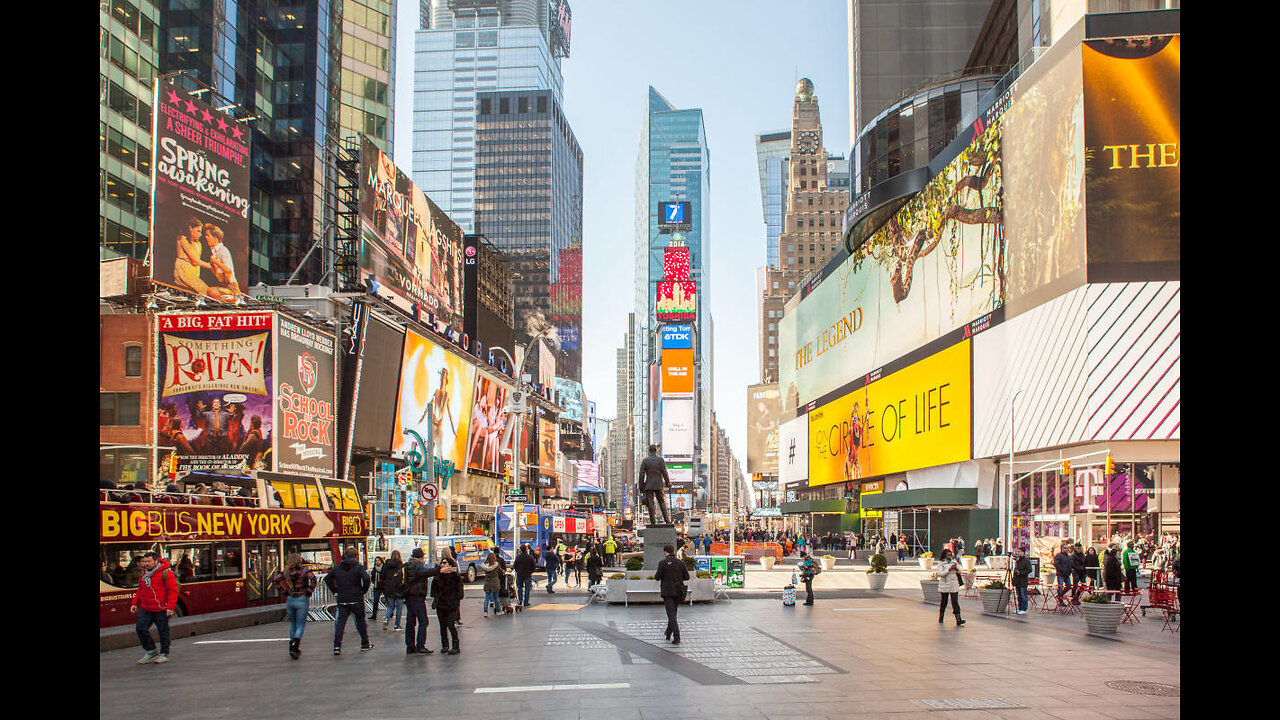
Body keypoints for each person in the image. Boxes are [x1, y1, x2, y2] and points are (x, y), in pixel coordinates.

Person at [130, 551, 179, 664]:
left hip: (161, 608)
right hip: (146, 608)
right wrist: (135, 603)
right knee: (140, 628)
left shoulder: (166, 573)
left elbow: (172, 590)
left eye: (149, 561)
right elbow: (140, 590)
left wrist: (170, 607)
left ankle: (164, 653)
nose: (146, 564)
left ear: (155, 561)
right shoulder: (144, 574)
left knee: (163, 631)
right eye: (145, 561)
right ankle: (151, 650)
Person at [324, 547, 373, 655]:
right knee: (360, 621)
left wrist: (335, 590)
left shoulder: (337, 568)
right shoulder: (358, 567)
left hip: (342, 598)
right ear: (356, 556)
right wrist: (363, 590)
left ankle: (337, 646)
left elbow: (327, 579)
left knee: (341, 623)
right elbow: (366, 579)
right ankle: (365, 643)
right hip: (356, 598)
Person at [401, 547, 450, 654]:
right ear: (421, 557)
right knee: (423, 621)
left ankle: (410, 645)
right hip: (417, 596)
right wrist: (439, 570)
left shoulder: (409, 565)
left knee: (410, 621)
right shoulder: (417, 566)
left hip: (409, 596)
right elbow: (425, 572)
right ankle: (420, 645)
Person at [271, 553, 317, 660]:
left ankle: (292, 646)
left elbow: (275, 580)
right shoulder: (305, 570)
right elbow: (313, 580)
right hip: (302, 598)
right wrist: (309, 591)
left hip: (290, 599)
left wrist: (284, 591)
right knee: (300, 625)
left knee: (293, 624)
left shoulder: (286, 571)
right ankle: (295, 645)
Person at [653, 544, 689, 645]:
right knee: (673, 613)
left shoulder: (662, 563)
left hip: (667, 592)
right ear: (673, 551)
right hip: (678, 592)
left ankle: (676, 636)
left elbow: (657, 577)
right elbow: (686, 577)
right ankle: (668, 633)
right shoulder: (681, 563)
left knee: (671, 614)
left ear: (665, 552)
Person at [173, 216, 212, 296]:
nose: (200, 234)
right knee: (208, 292)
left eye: (200, 232)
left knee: (207, 293)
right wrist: (212, 265)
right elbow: (195, 260)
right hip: (183, 270)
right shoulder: (182, 239)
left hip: (194, 273)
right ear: (190, 228)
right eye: (198, 231)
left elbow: (196, 262)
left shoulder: (198, 243)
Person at [432, 556, 464, 654]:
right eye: (442, 563)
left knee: (451, 625)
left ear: (450, 565)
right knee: (442, 626)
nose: (442, 564)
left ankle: (455, 645)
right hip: (441, 604)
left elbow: (460, 593)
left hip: (451, 604)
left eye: (445, 563)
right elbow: (433, 591)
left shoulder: (455, 577)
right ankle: (445, 645)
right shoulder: (438, 576)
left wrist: (455, 600)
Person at [638, 445, 672, 524]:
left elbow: (641, 475)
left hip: (648, 485)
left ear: (649, 451)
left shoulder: (645, 461)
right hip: (658, 484)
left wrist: (641, 487)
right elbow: (664, 473)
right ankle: (667, 520)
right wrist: (668, 483)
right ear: (656, 451)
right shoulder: (660, 460)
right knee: (661, 502)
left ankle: (653, 522)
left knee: (651, 504)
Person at [936, 548, 965, 626]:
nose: (949, 556)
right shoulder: (941, 563)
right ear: (944, 555)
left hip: (954, 584)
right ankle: (941, 617)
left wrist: (956, 568)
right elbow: (940, 573)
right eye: (948, 555)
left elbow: (960, 571)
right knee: (944, 602)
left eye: (950, 555)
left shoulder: (954, 561)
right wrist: (948, 570)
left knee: (955, 602)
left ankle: (958, 619)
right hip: (945, 585)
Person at [381, 550, 406, 631]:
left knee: (390, 606)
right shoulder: (401, 566)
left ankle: (386, 619)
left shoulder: (386, 565)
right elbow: (403, 578)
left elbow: (382, 576)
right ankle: (397, 625)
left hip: (388, 588)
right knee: (399, 607)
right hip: (398, 588)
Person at [1012, 546, 1032, 615]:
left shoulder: (1026, 561)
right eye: (1017, 551)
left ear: (1023, 553)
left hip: (1023, 580)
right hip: (1017, 580)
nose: (1018, 553)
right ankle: (1019, 608)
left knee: (1024, 595)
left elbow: (1029, 570)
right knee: (1019, 595)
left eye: (1019, 552)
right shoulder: (1018, 561)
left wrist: (1020, 573)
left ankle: (1024, 608)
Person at [481, 551, 501, 617]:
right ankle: (498, 611)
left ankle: (485, 612)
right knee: (496, 598)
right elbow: (501, 571)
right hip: (495, 583)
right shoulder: (496, 565)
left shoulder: (485, 566)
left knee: (487, 598)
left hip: (487, 583)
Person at [368, 556, 385, 621]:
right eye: (376, 561)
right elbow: (372, 576)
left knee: (388, 599)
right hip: (376, 586)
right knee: (375, 601)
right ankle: (374, 614)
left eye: (378, 560)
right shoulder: (374, 568)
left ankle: (390, 612)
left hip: (383, 586)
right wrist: (373, 582)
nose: (377, 562)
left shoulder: (384, 567)